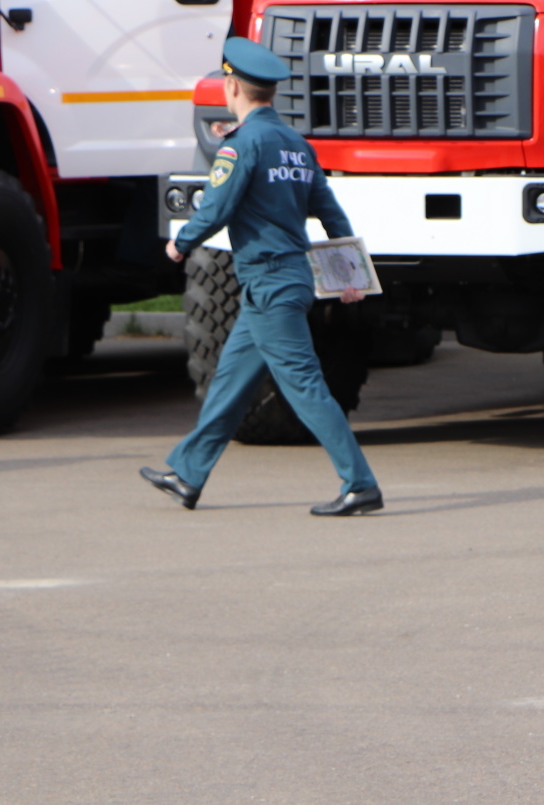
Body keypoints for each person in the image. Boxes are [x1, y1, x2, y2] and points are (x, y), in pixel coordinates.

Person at [139, 38, 385, 515]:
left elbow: (217, 207)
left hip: (270, 284)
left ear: (232, 86)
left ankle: (360, 484)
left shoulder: (242, 145)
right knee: (230, 384)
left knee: (306, 389)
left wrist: (180, 242)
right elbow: (332, 216)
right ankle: (188, 475)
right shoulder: (297, 146)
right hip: (276, 285)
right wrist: (347, 277)